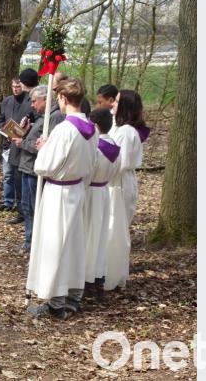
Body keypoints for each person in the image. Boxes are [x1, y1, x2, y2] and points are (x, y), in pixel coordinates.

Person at [26, 78, 97, 320]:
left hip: (59, 192)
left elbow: (44, 166)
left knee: (55, 245)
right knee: (74, 244)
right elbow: (91, 163)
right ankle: (74, 293)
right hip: (77, 188)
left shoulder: (65, 129)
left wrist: (44, 148)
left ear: (64, 99)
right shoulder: (92, 127)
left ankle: (56, 300)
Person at [104, 89, 149, 291]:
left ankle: (113, 277)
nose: (112, 104)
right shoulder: (119, 128)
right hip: (114, 182)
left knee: (116, 231)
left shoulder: (126, 133)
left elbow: (119, 162)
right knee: (110, 229)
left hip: (119, 183)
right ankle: (105, 271)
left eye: (117, 102)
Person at [13, 84, 64, 254]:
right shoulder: (43, 117)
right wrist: (25, 131)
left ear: (45, 99)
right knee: (27, 207)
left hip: (36, 171)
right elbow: (37, 139)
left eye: (35, 101)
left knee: (36, 209)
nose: (32, 105)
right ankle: (30, 241)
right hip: (28, 167)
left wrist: (23, 143)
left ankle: (37, 244)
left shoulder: (55, 118)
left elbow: (47, 146)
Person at [83, 108, 122, 300]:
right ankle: (98, 276)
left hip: (90, 193)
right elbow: (116, 171)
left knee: (89, 236)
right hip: (104, 192)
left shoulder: (95, 148)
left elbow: (87, 171)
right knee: (99, 238)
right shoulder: (114, 145)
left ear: (95, 126)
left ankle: (86, 278)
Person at [0, 77, 33, 215]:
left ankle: (20, 204)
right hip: (7, 143)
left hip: (21, 144)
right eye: (14, 86)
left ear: (22, 86)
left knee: (19, 176)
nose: (16, 89)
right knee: (7, 174)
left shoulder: (29, 102)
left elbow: (32, 121)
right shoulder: (6, 101)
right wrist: (4, 129)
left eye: (18, 86)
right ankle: (8, 201)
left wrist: (22, 132)